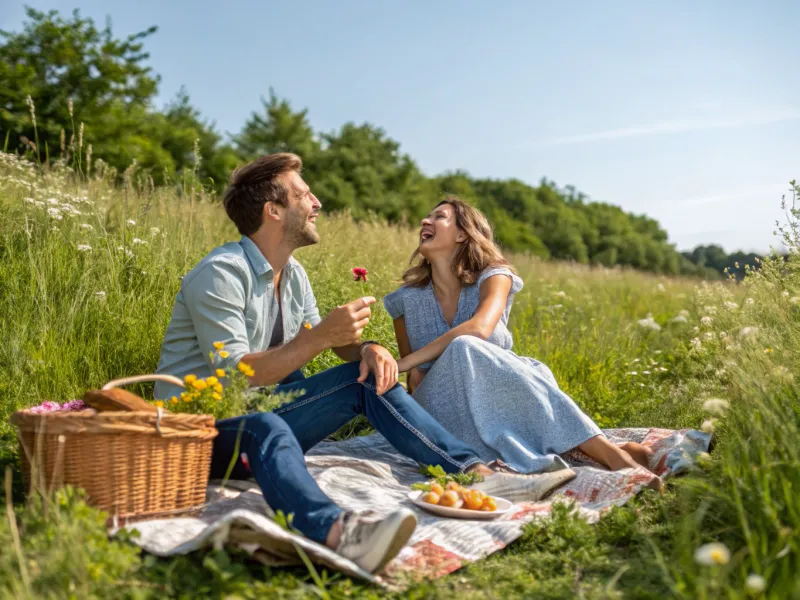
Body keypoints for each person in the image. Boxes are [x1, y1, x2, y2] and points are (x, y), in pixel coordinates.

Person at [153, 154, 577, 574]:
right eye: (304, 194)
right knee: (266, 425)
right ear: (274, 210)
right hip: (198, 432)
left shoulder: (293, 274)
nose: (316, 202)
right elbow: (235, 377)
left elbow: (337, 345)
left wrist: (370, 348)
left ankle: (478, 473)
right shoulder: (223, 272)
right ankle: (339, 533)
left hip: (264, 413)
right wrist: (319, 338)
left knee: (365, 378)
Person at [383, 198, 662, 488]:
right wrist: (408, 368)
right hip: (441, 408)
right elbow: (415, 379)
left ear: (462, 233)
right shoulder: (405, 300)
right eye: (426, 218)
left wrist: (403, 362)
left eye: (438, 217)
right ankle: (609, 455)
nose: (424, 222)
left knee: (528, 367)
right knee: (464, 349)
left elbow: (479, 328)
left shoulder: (493, 275)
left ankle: (596, 454)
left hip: (503, 392)